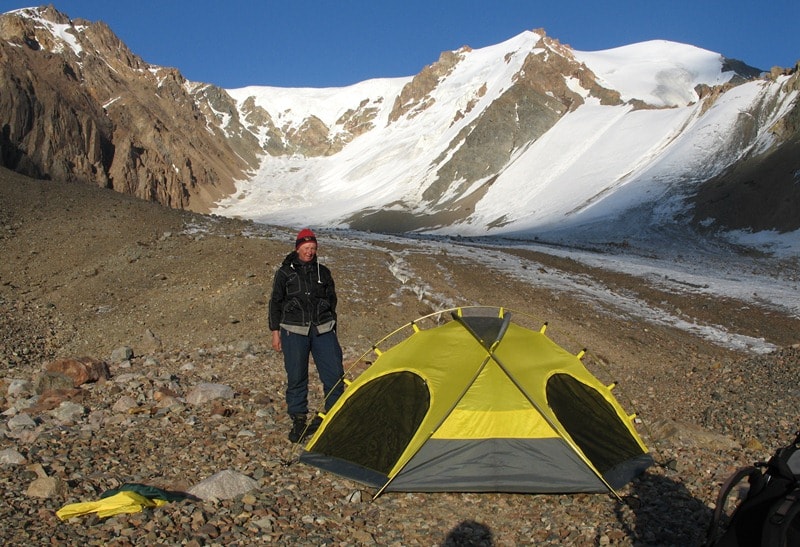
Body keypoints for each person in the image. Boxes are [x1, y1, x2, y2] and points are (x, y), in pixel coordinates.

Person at [269, 228, 345, 442]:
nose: (309, 252)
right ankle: (299, 420)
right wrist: (276, 333)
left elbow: (332, 301)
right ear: (298, 248)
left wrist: (332, 326)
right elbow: (275, 302)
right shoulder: (285, 273)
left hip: (323, 329)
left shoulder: (324, 272)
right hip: (294, 330)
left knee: (335, 374)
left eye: (313, 248)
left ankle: (333, 417)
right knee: (296, 376)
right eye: (306, 248)